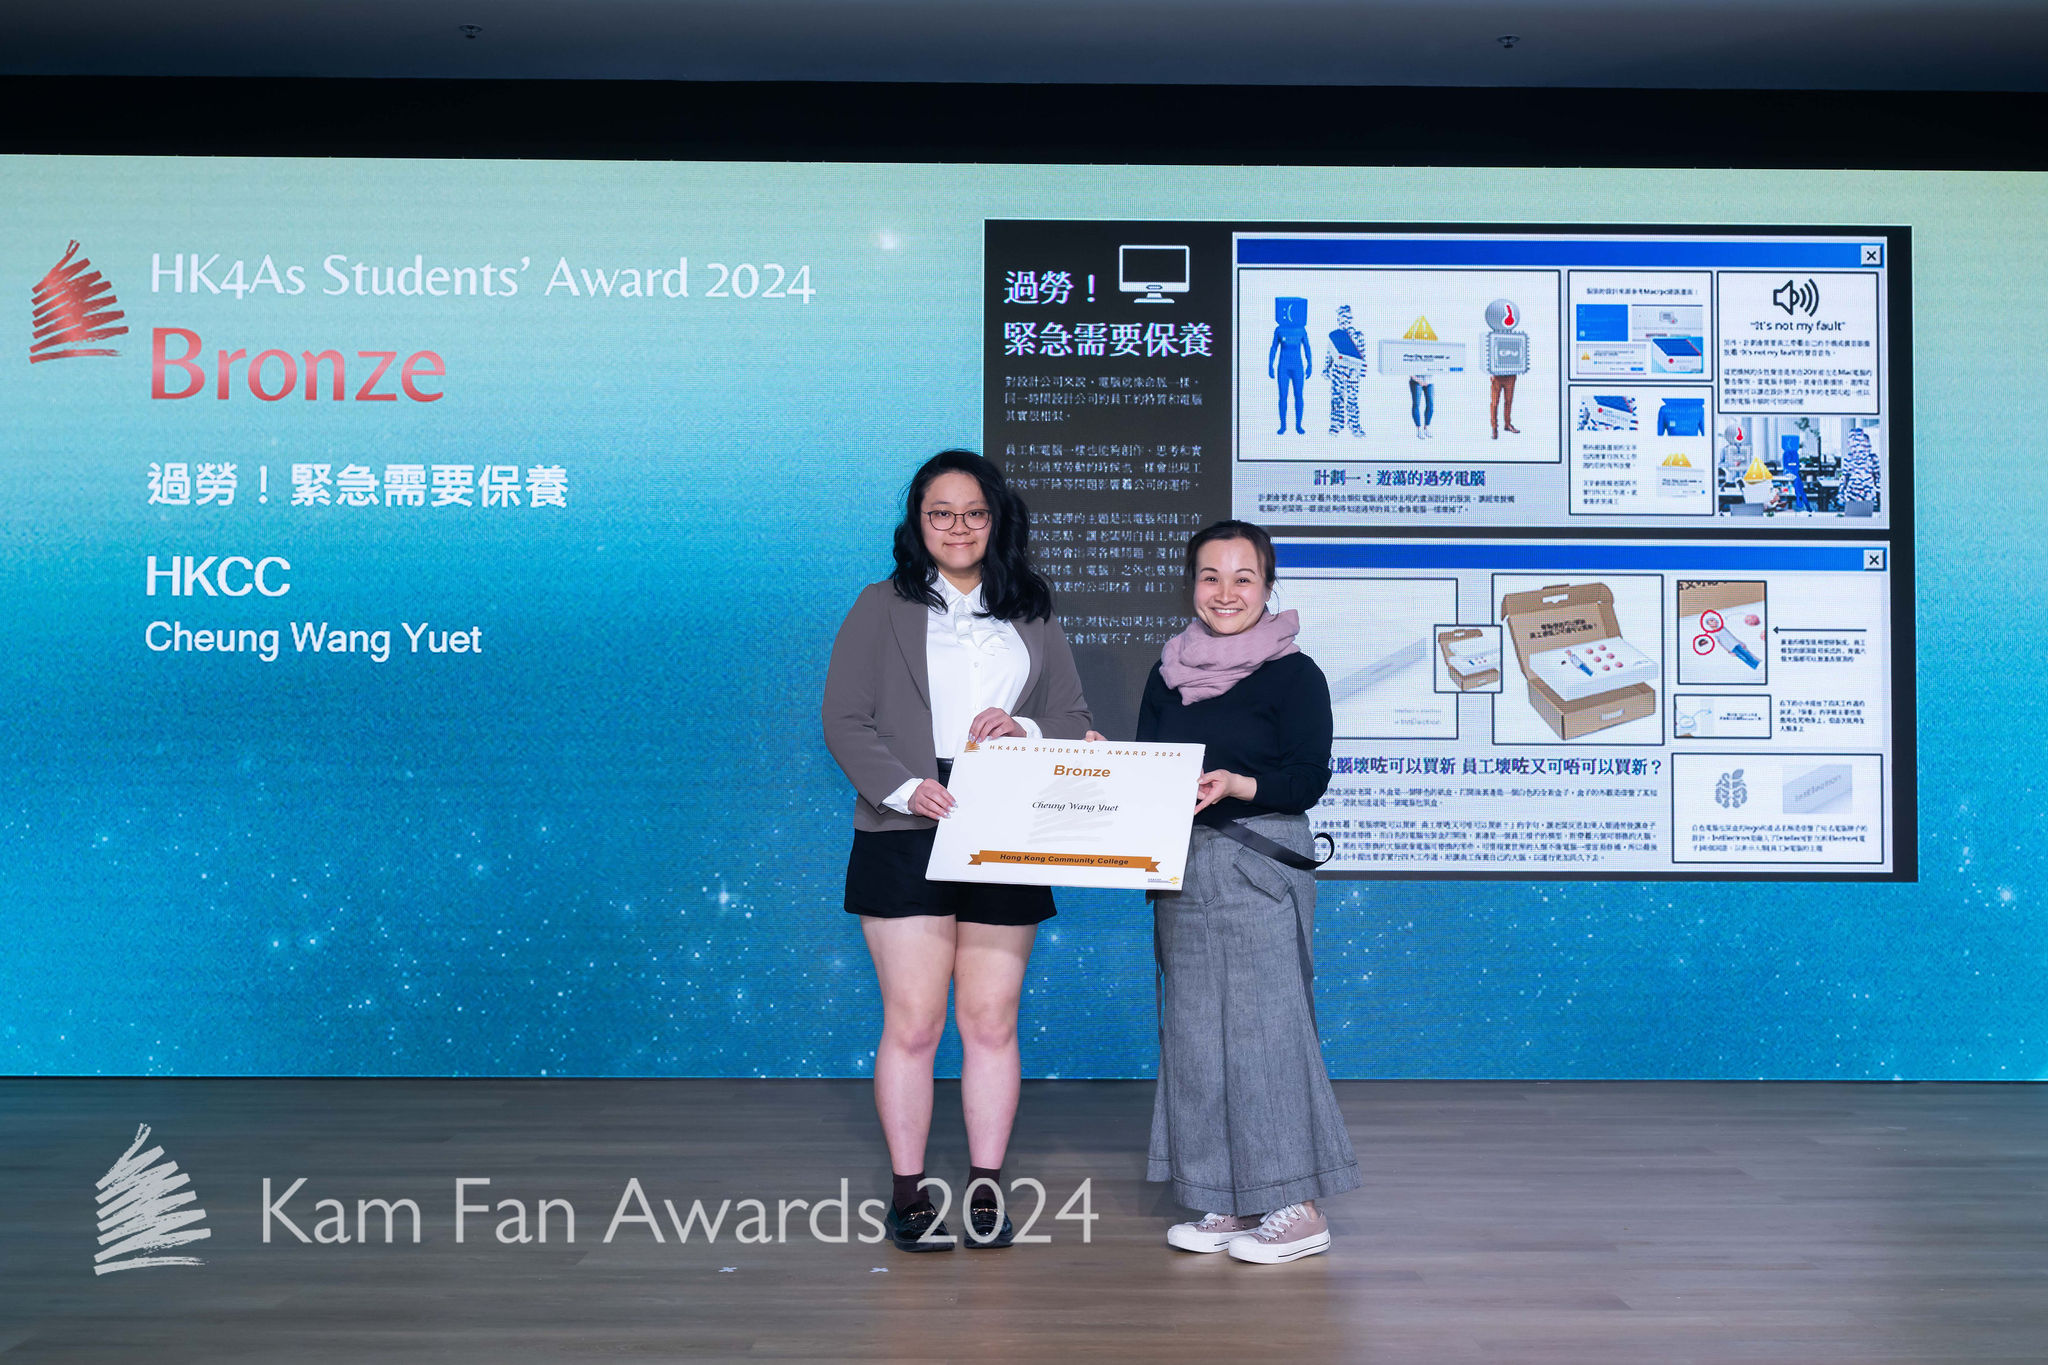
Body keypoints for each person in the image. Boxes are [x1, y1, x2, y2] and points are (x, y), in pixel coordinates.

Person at [822, 450, 1095, 1254]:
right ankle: (909, 1194)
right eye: (940, 512)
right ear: (918, 522)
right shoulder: (879, 605)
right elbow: (843, 719)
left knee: (990, 1020)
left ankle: (985, 1186)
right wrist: (907, 789)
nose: (958, 527)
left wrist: (1026, 727)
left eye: (974, 512)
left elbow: (1075, 718)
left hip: (1006, 819)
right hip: (905, 823)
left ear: (995, 519)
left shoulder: (1032, 609)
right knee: (914, 1022)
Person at [1135, 519, 1360, 1264]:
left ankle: (1297, 1207)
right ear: (1191, 583)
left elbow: (1308, 778)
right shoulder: (1167, 671)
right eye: (1210, 576)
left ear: (1267, 587)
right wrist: (1103, 769)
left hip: (1259, 862)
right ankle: (1226, 1196)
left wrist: (1238, 784)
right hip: (1182, 866)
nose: (1225, 593)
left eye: (1243, 578)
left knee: (1266, 1032)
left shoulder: (1296, 674)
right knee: (1196, 1037)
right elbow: (1150, 768)